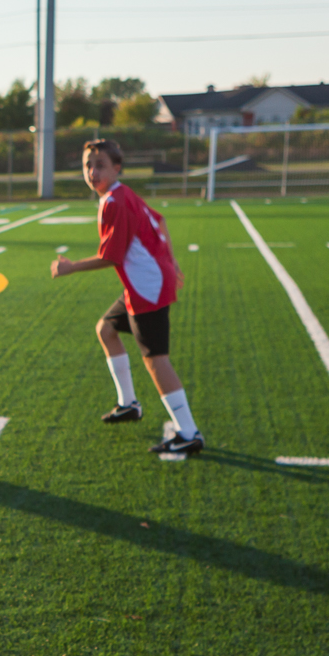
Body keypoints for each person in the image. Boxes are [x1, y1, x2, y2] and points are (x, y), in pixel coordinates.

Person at [50, 138, 202, 457]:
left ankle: (188, 432)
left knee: (155, 358)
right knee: (106, 328)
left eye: (100, 165)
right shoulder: (121, 193)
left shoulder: (114, 202)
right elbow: (159, 220)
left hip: (146, 287)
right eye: (87, 166)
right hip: (148, 282)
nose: (92, 172)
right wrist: (170, 262)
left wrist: (70, 267)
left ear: (116, 168)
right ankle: (128, 404)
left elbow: (112, 256)